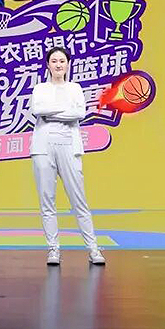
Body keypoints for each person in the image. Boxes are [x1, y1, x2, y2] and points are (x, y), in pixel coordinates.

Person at [30, 47, 105, 265]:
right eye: (54, 61)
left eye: (62, 61)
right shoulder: (40, 88)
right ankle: (53, 249)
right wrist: (64, 111)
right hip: (43, 147)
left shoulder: (75, 88)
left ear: (68, 64)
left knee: (79, 199)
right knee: (47, 201)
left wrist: (52, 111)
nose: (58, 65)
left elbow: (79, 113)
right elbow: (37, 110)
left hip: (69, 146)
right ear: (48, 65)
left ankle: (93, 249)